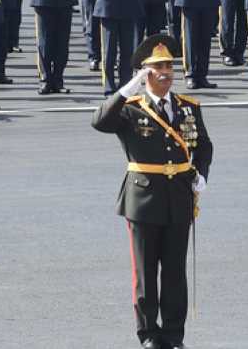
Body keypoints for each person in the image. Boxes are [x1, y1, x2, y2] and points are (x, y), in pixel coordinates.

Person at [91, 34, 213, 349]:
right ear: (144, 72)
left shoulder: (188, 107)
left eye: (169, 66)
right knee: (145, 273)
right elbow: (99, 122)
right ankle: (148, 334)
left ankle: (173, 334)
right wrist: (125, 90)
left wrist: (201, 175)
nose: (166, 72)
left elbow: (204, 147)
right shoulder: (130, 108)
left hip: (179, 198)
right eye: (158, 66)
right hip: (143, 199)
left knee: (174, 271)